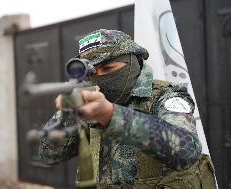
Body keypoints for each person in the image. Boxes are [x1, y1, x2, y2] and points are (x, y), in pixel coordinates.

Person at [38, 29, 216, 188]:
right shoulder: (87, 102)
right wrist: (69, 112)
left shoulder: (165, 96)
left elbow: (185, 150)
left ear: (132, 63)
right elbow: (48, 155)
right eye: (92, 73)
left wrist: (110, 115)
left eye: (108, 68)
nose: (99, 78)